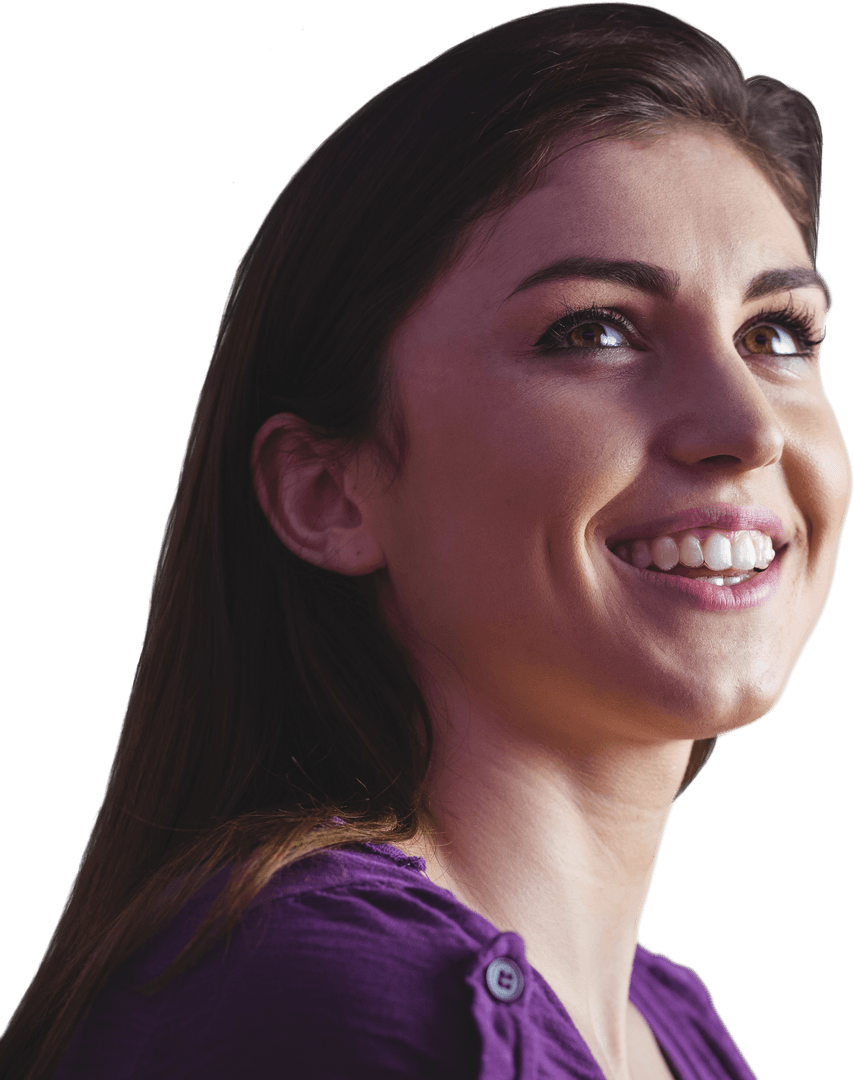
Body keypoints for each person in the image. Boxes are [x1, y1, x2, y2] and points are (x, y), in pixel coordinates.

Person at [1, 4, 850, 1078]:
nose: (747, 427)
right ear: (328, 494)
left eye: (777, 335)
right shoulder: (325, 1005)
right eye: (592, 330)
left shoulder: (664, 1024)